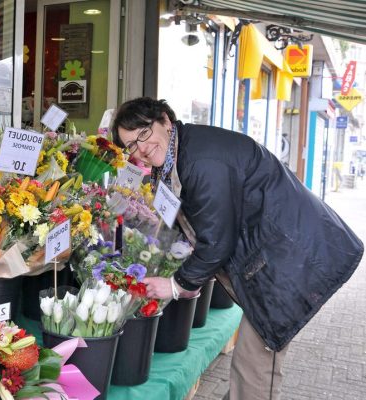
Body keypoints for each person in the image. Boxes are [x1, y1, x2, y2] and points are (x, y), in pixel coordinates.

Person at [111, 97, 364, 400]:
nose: (140, 147)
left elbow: (217, 240)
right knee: (251, 363)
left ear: (165, 121)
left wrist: (177, 285)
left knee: (256, 363)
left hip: (292, 256)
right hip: (274, 253)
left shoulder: (201, 159)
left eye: (143, 132)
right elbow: (192, 217)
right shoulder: (178, 156)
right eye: (130, 145)